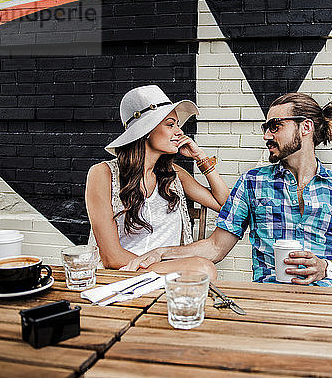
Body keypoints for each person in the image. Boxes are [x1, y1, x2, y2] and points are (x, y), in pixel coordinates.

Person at [122, 92, 332, 288]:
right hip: (269, 300)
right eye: (265, 127)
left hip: (329, 303)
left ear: (306, 127)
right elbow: (215, 248)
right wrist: (161, 252)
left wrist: (327, 269)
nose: (266, 135)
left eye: (275, 126)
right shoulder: (253, 182)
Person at [85, 85, 229, 280]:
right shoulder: (102, 174)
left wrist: (201, 158)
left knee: (204, 269)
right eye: (171, 124)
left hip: (168, 274)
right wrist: (162, 272)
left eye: (178, 125)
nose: (179, 132)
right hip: (122, 276)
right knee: (203, 269)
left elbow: (226, 207)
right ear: (146, 131)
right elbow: (111, 257)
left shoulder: (174, 174)